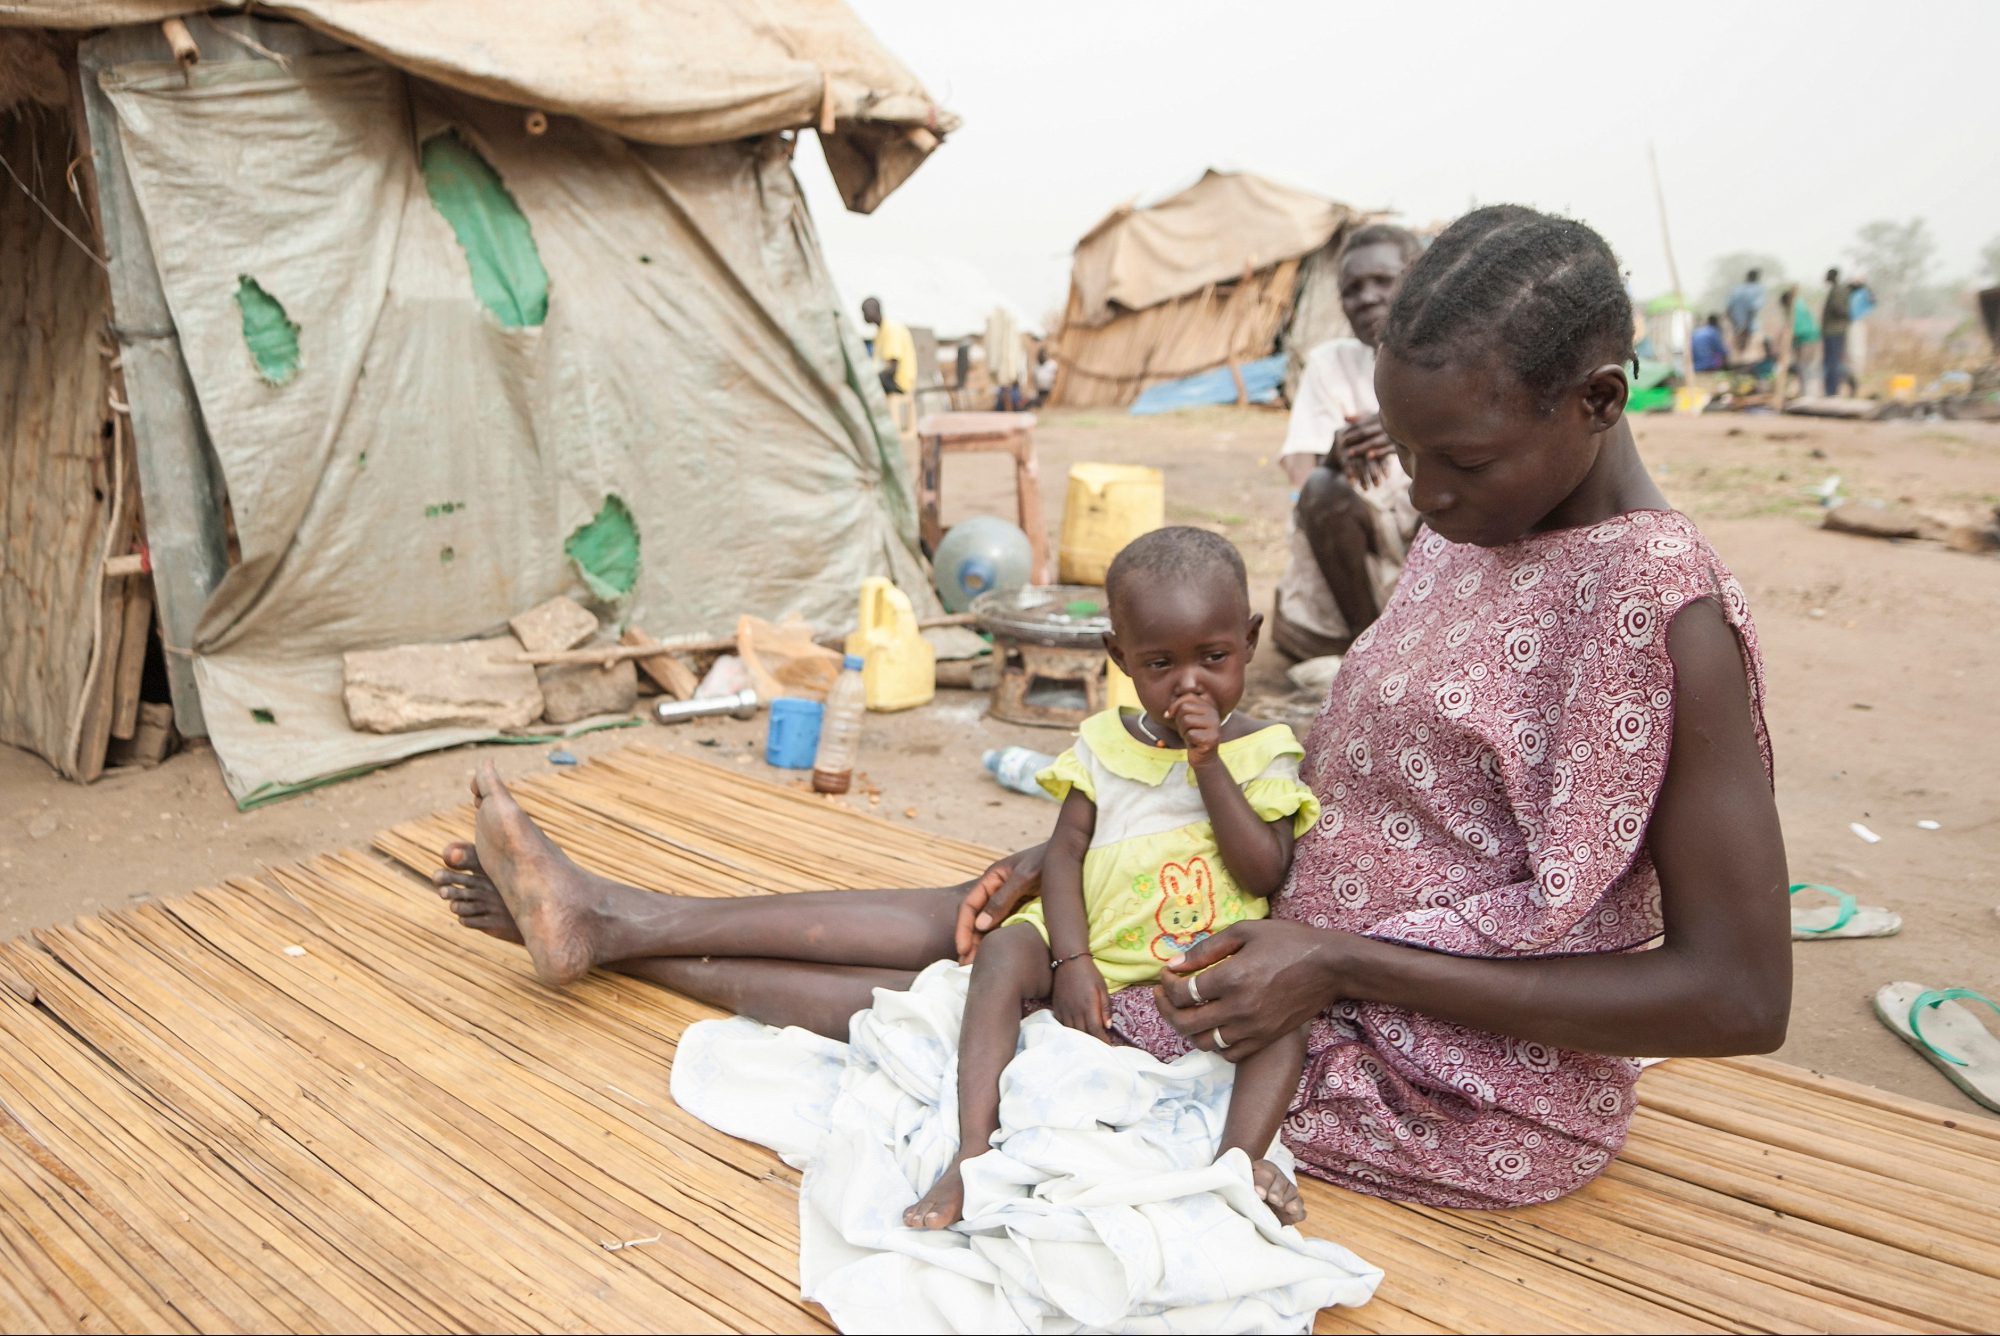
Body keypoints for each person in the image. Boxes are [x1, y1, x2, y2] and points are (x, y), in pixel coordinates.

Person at [435, 204, 1790, 1212]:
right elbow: (1389, 770)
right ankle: (610, 920)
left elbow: (1740, 996)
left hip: (1441, 1061)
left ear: (1601, 402)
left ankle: (612, 934)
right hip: (1305, 940)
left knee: (989, 992)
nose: (1419, 496)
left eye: (1461, 460)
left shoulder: (1666, 616)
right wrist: (1134, 811)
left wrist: (1340, 966)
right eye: (1405, 451)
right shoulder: (1487, 528)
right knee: (1011, 914)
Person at [904, 527, 1321, 1230]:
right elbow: (1063, 856)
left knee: (1287, 1023)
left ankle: (1240, 1158)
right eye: (1160, 664)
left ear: (1249, 642)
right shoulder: (1101, 744)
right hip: (1097, 951)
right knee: (1006, 948)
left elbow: (1265, 868)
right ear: (1118, 657)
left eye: (1214, 658)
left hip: (1199, 973)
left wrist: (1209, 764)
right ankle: (971, 1152)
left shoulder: (1266, 752)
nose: (1190, 684)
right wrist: (1072, 960)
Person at [1271, 222, 1425, 661]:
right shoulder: (1330, 363)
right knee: (1321, 489)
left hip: (1433, 529)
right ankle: (1367, 646)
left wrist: (1405, 432)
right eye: (1352, 289)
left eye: (1383, 281)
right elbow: (1303, 483)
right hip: (1368, 537)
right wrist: (1333, 459)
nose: (1367, 298)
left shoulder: (1453, 358)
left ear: (1416, 282)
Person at [861, 295, 916, 405]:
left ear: (874, 310)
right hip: (890, 379)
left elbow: (892, 367)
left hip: (900, 383)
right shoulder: (879, 332)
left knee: (866, 384)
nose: (863, 315)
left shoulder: (891, 329)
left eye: (864, 311)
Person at [1821, 268, 1852, 397]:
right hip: (1832, 331)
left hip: (1834, 331)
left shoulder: (1838, 290)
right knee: (1831, 362)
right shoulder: (1837, 289)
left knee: (1833, 362)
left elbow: (1840, 309)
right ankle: (1830, 390)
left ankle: (1832, 391)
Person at [1726, 268, 1765, 355]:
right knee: (1750, 354)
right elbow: (1753, 309)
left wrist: (1736, 326)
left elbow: (1728, 310)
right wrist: (1745, 327)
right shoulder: (1758, 289)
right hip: (1749, 328)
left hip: (1737, 327)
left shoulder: (1736, 290)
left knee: (1738, 352)